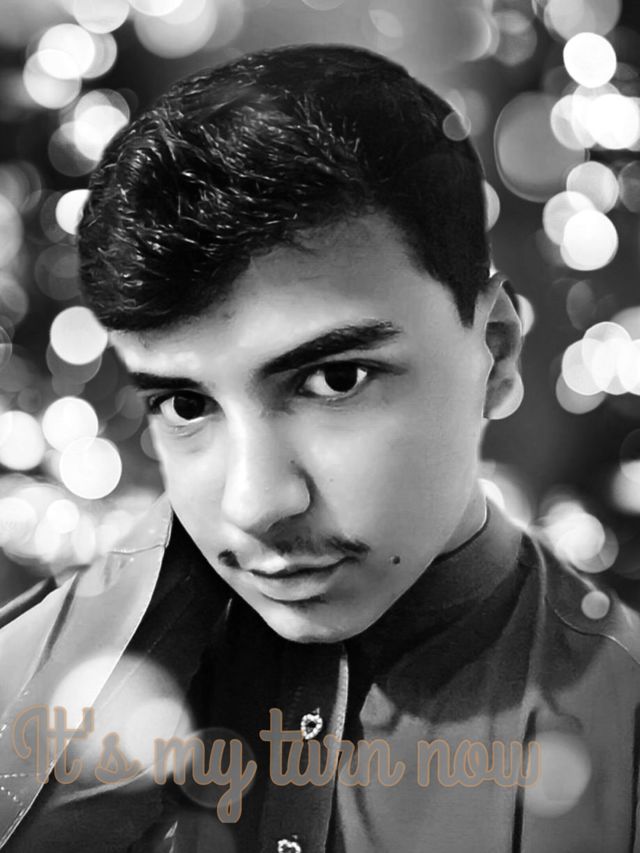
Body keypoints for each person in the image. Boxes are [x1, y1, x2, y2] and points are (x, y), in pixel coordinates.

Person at [0, 43, 639, 853]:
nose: (254, 504)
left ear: (497, 352)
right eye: (185, 404)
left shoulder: (621, 728)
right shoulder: (42, 679)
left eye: (336, 380)